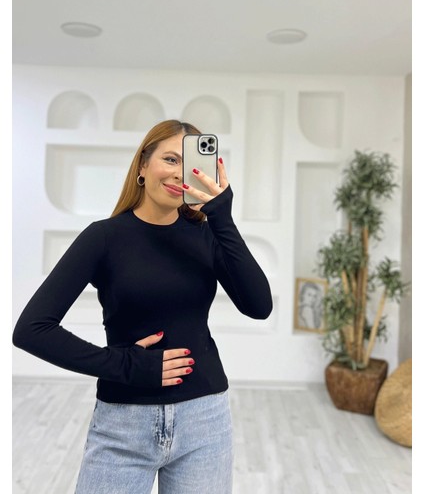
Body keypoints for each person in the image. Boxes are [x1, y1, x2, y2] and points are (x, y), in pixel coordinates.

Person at [13, 119, 273, 494]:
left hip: (204, 421)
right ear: (142, 165)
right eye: (170, 159)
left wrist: (222, 218)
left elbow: (259, 306)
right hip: (124, 424)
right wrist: (124, 364)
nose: (179, 172)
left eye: (189, 163)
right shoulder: (103, 238)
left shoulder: (207, 235)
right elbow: (32, 330)